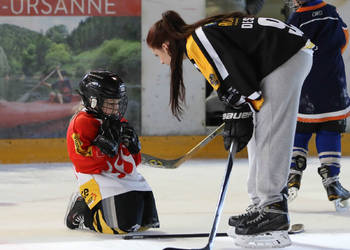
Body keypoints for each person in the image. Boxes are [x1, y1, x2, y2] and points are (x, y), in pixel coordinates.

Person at [147, 10, 314, 248]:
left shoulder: (197, 40)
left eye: (157, 55)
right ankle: (261, 205)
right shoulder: (200, 38)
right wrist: (241, 106)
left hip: (285, 56)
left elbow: (235, 69)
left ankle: (273, 210)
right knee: (261, 132)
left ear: (165, 45)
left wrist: (243, 104)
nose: (162, 61)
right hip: (285, 55)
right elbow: (233, 71)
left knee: (270, 132)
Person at [64, 70, 159, 234]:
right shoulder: (81, 122)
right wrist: (102, 149)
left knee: (146, 221)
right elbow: (80, 160)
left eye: (117, 103)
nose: (116, 108)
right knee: (122, 226)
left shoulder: (119, 120)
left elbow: (133, 162)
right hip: (96, 178)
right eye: (111, 103)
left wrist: (134, 149)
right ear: (94, 101)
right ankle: (85, 212)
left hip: (124, 178)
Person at [286, 0, 350, 211]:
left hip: (305, 84)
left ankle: (293, 174)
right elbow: (344, 38)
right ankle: (332, 181)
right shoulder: (331, 12)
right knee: (330, 128)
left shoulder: (296, 18)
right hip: (333, 84)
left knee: (301, 128)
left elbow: (287, 51)